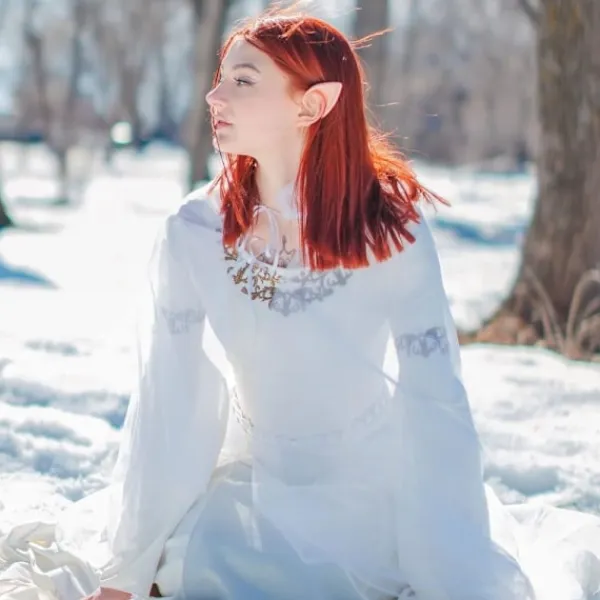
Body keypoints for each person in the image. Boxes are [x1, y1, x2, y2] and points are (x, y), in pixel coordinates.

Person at [2, 8, 600, 600]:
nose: (214, 96)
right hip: (245, 495)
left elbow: (436, 399)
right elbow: (170, 400)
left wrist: (454, 567)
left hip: (374, 503)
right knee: (203, 567)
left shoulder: (390, 233)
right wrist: (125, 572)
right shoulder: (194, 232)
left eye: (242, 81)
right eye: (220, 77)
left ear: (313, 105)